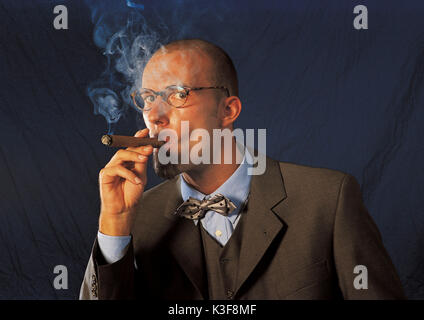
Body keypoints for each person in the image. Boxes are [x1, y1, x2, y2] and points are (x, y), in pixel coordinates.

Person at [80, 39, 405, 300]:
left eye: (178, 95)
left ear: (228, 110)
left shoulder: (328, 200)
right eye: (149, 98)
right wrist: (115, 228)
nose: (156, 116)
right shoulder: (134, 219)